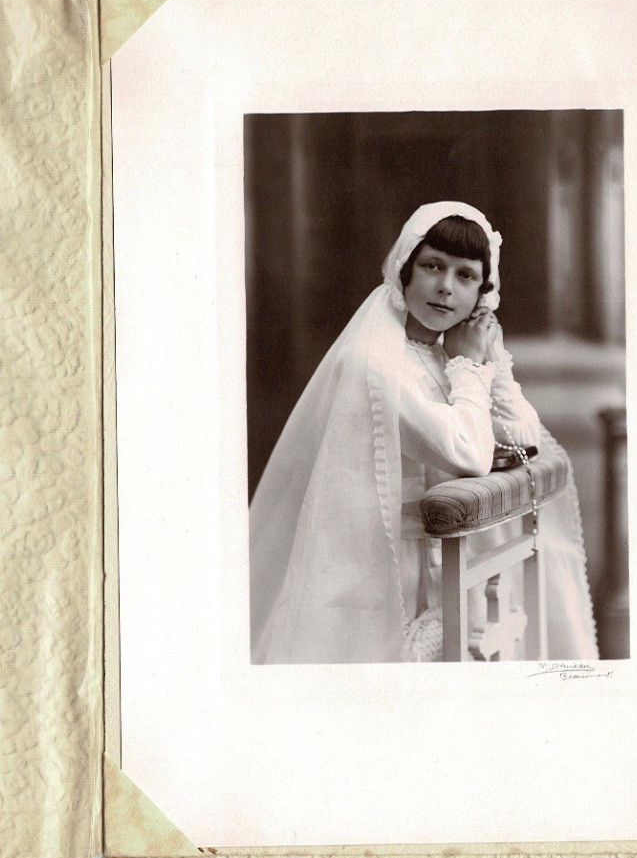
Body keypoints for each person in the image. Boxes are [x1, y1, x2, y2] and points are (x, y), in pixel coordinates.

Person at [249, 201, 599, 664]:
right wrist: (471, 365)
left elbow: (521, 435)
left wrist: (490, 359)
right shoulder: (377, 363)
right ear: (405, 271)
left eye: (466, 276)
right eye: (433, 266)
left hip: (447, 558)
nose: (445, 288)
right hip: (381, 566)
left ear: (483, 296)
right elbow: (470, 453)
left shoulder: (443, 353)